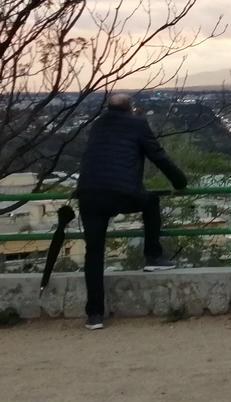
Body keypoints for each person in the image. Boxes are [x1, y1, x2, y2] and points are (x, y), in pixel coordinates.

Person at [75, 92, 189, 328]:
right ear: (130, 108)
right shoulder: (137, 124)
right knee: (151, 203)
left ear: (108, 108)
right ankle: (153, 256)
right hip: (121, 193)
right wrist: (180, 182)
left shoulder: (96, 126)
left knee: (93, 253)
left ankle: (94, 314)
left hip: (88, 194)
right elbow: (158, 156)